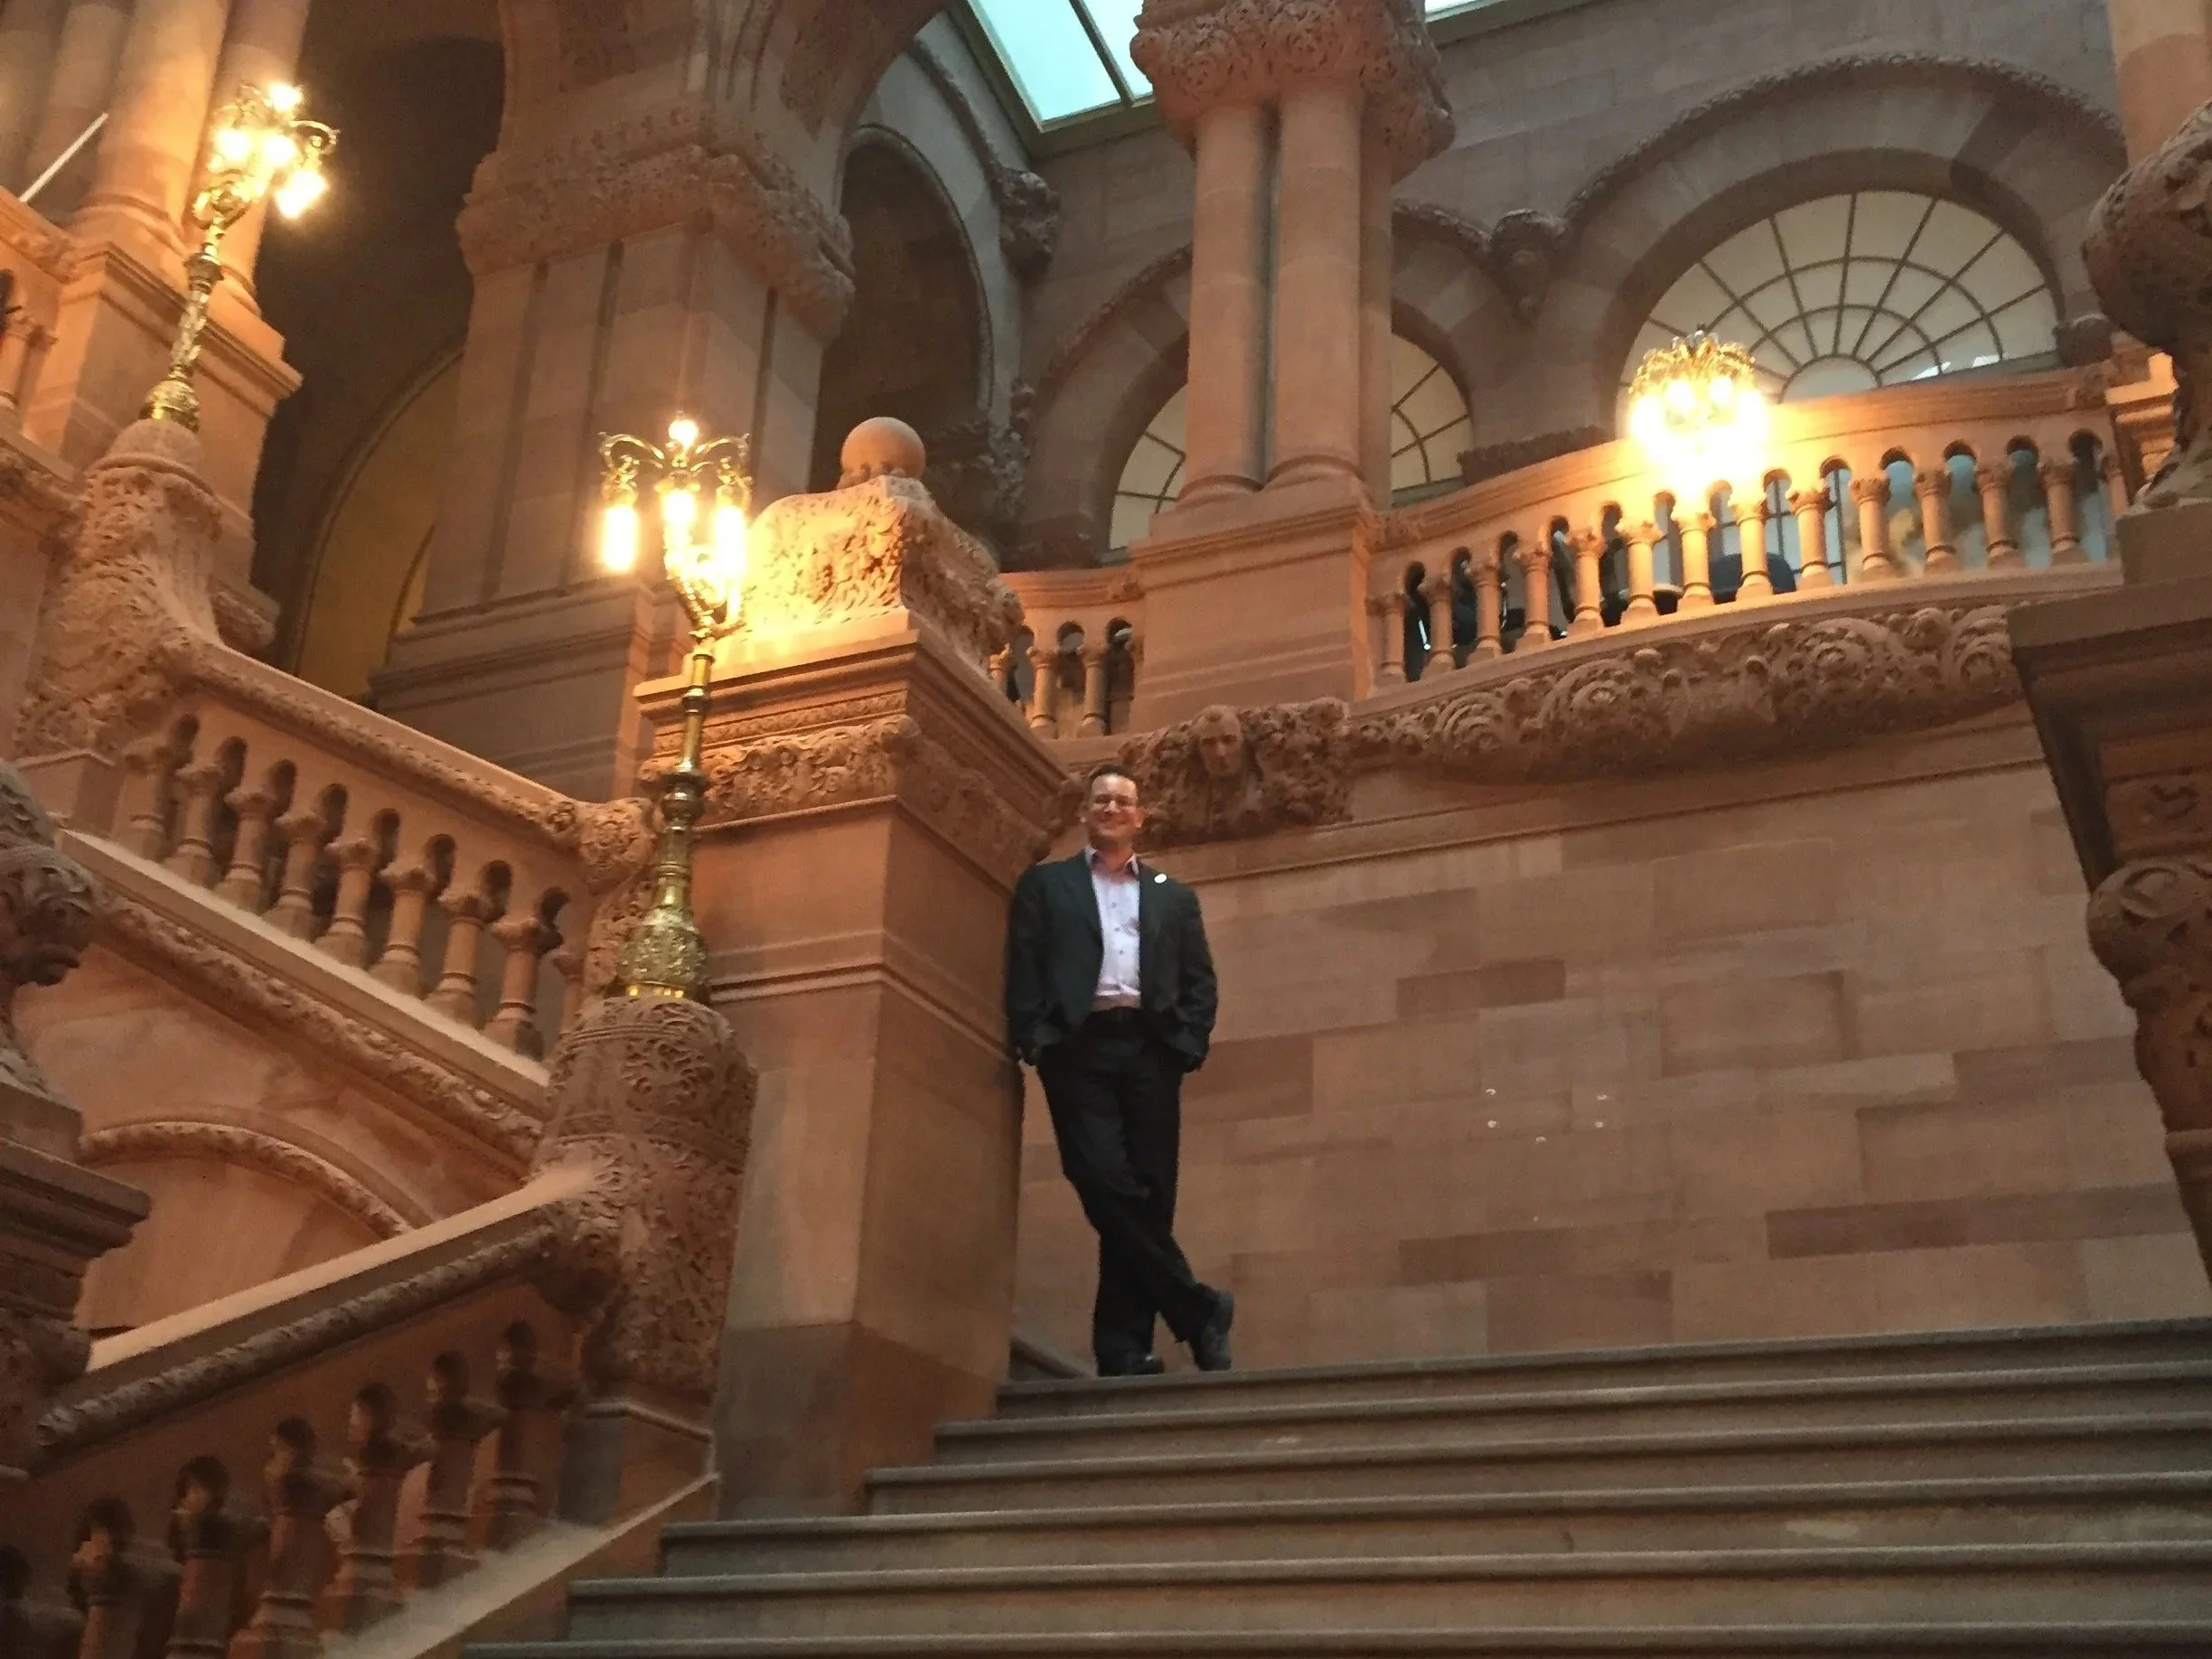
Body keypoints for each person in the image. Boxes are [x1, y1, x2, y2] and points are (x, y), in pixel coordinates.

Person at [1004, 763, 1234, 1376]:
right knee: (1104, 1182)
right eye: (1100, 799)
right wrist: (1034, 1034)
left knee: (1148, 1197)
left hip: (1151, 1052)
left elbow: (1199, 979)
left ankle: (1125, 1348)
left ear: (1140, 816)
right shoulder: (1046, 886)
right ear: (1084, 812)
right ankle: (1198, 1308)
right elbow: (1024, 961)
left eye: (1122, 801)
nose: (1111, 808)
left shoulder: (1173, 896)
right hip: (1077, 1048)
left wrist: (1186, 1042)